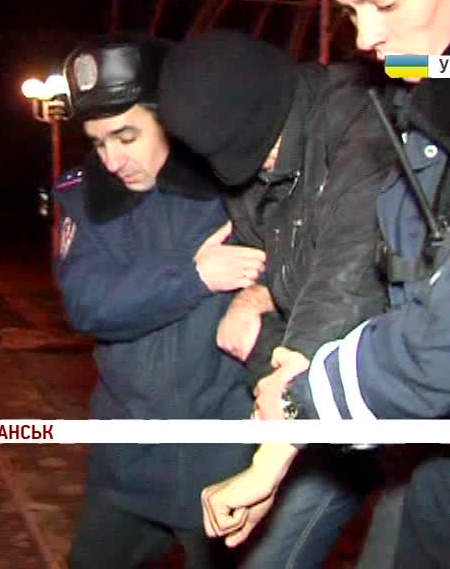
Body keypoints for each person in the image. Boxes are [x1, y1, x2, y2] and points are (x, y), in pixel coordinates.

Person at [198, 0, 450, 567]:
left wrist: (302, 401)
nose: (364, 37)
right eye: (350, 11)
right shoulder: (427, 96)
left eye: (384, 2)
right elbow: (385, 278)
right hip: (447, 464)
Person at [159, 30, 399, 568]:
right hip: (324, 400)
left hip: (420, 408)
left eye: (262, 150)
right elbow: (272, 297)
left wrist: (281, 420)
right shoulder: (247, 172)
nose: (259, 169)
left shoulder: (360, 116)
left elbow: (348, 272)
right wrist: (256, 323)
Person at [54, 33, 266, 569]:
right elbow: (88, 304)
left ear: (170, 120)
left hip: (225, 458)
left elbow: (302, 277)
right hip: (127, 461)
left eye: (126, 136)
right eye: (98, 142)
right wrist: (194, 277)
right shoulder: (86, 197)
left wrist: (255, 296)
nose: (112, 159)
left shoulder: (237, 184)